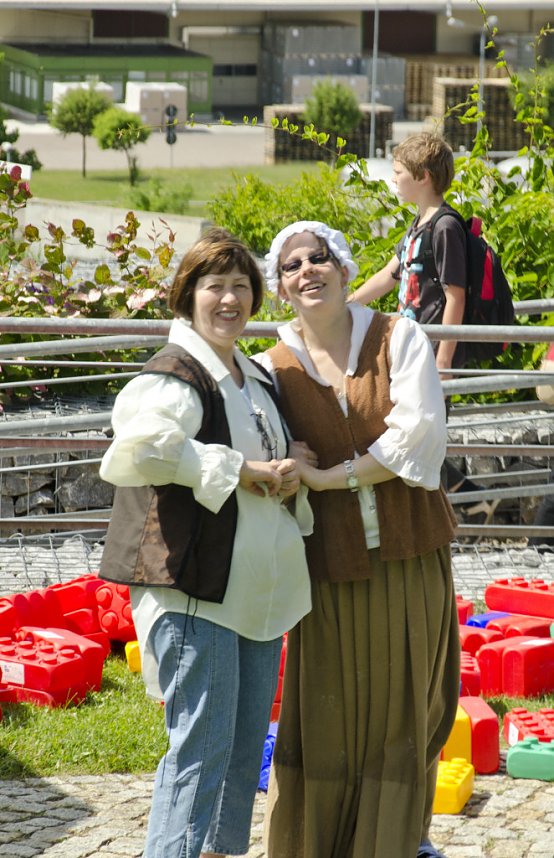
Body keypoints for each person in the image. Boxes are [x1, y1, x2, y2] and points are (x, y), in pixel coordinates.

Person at [98, 227, 313, 858]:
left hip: (251, 590)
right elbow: (141, 448)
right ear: (187, 296)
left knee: (242, 751)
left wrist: (286, 460)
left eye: (241, 286)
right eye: (214, 286)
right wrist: (243, 471)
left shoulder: (250, 373)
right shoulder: (177, 372)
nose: (229, 299)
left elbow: (263, 452)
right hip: (195, 589)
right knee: (201, 748)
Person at [258, 220, 460, 858]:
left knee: (408, 701)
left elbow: (419, 432)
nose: (306, 271)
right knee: (330, 708)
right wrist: (284, 459)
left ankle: (400, 838)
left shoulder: (398, 337)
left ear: (346, 270)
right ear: (281, 288)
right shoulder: (271, 367)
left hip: (409, 550)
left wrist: (328, 475)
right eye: (291, 266)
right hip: (329, 562)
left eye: (319, 258)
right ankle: (320, 841)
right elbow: (256, 443)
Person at [349, 132, 496, 518]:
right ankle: (469, 496)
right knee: (405, 430)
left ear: (424, 177)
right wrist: (345, 305)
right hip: (410, 349)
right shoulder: (419, 225)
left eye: (399, 172)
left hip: (432, 354)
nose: (393, 179)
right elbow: (388, 275)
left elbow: (456, 295)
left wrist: (445, 360)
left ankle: (443, 513)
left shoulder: (445, 227)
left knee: (417, 436)